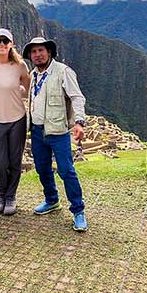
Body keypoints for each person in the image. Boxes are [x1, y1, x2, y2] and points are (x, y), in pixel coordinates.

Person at [22, 37, 88, 232]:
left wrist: (79, 122)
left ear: (49, 52)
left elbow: (77, 97)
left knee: (66, 170)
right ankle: (52, 200)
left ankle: (78, 210)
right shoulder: (33, 75)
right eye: (33, 52)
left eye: (41, 50)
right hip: (37, 130)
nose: (37, 55)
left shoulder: (63, 72)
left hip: (57, 132)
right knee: (42, 169)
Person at [0, 28, 30, 216]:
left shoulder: (20, 65)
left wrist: (15, 91)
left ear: (11, 44)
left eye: (5, 41)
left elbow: (26, 88)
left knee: (14, 161)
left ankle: (10, 196)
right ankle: (1, 194)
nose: (2, 44)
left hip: (17, 119)